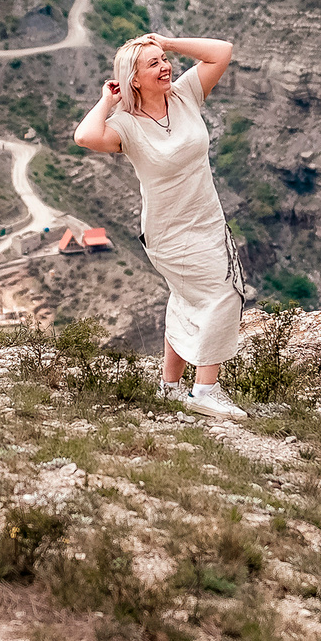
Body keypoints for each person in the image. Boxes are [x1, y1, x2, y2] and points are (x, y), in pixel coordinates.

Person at [72, 30, 250, 417]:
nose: (165, 67)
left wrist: (166, 41)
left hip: (208, 220)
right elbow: (85, 136)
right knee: (225, 294)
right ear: (133, 78)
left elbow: (222, 52)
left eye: (164, 60)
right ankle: (206, 391)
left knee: (189, 298)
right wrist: (107, 99)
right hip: (168, 232)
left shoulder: (185, 95)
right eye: (153, 63)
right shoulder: (125, 126)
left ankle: (170, 387)